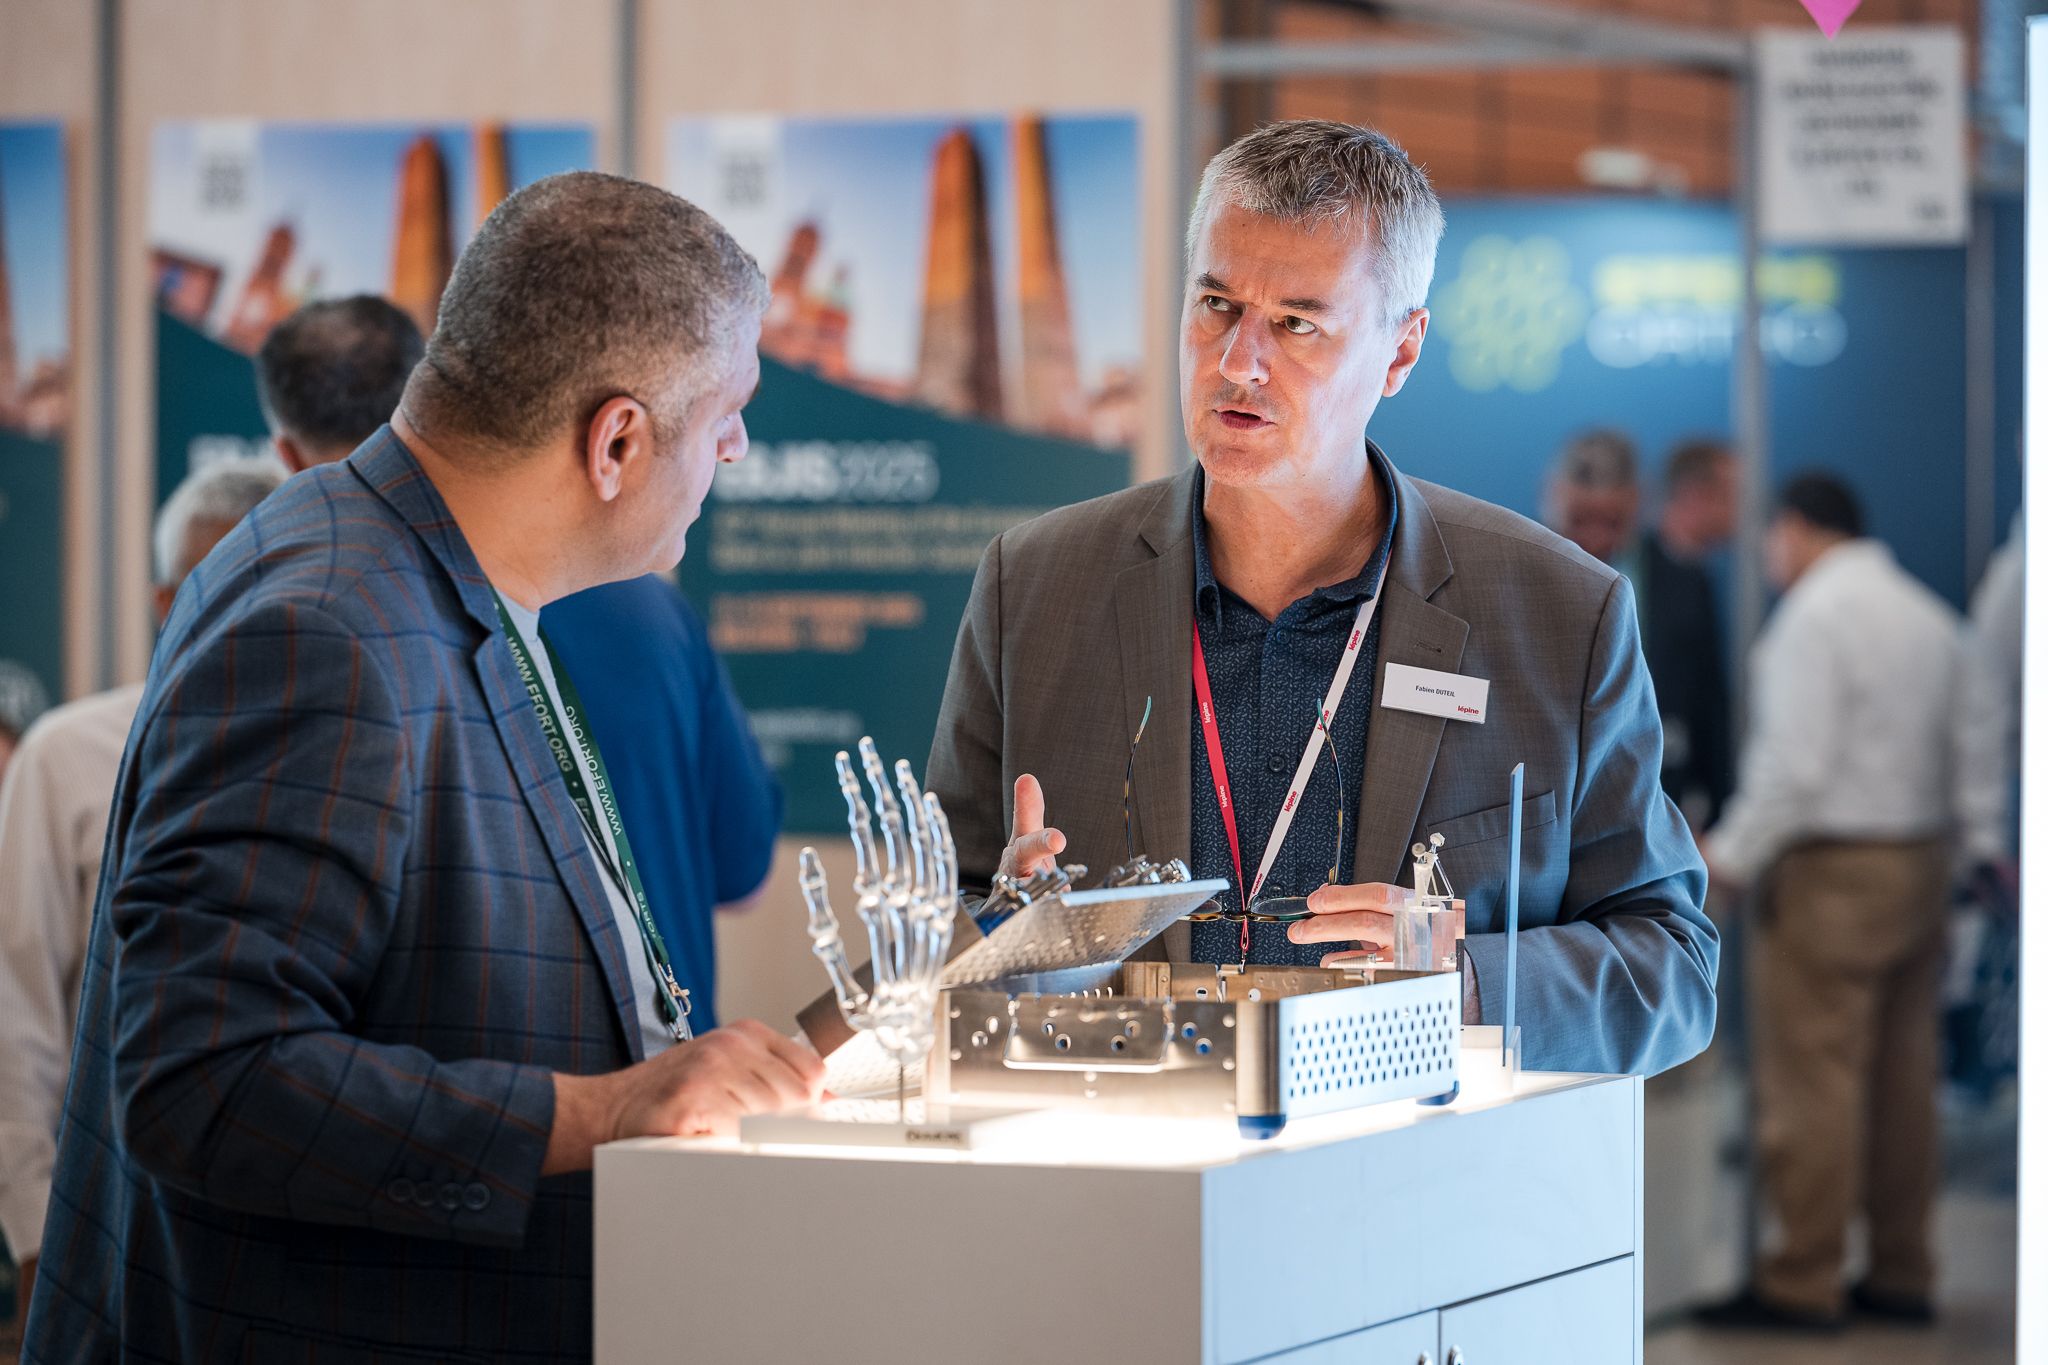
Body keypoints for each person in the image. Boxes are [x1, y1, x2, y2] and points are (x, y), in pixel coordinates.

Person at [25, 172, 823, 1362]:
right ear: (615, 440)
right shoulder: (328, 625)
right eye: (727, 415)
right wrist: (603, 1112)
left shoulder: (441, 573)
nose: (737, 448)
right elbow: (205, 1083)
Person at [927, 119, 1717, 1079]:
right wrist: (1001, 940)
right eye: (1216, 304)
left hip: (1414, 1163)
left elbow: (1673, 967)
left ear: (1401, 351)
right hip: (1128, 1155)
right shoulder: (1034, 587)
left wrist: (1464, 979)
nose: (1238, 361)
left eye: (1297, 323)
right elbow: (936, 929)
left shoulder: (1560, 615)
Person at [258, 295, 781, 1026]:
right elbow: (745, 875)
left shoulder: (331, 616)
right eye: (720, 419)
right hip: (602, 1083)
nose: (734, 448)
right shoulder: (650, 608)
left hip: (631, 1078)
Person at [0, 457, 285, 1358]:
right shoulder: (67, 757)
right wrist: (37, 1232)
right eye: (212, 584)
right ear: (166, 600)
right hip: (105, 1226)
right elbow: (15, 1013)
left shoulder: (342, 749)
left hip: (282, 1246)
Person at [1698, 473, 1960, 1332]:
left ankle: (1802, 1277)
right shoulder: (1927, 615)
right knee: (1904, 1081)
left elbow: (1794, 770)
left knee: (1812, 1080)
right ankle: (1902, 1267)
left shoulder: (1813, 618)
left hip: (1832, 872)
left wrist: (1727, 859)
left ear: (1797, 527)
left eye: (1770, 536)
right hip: (1920, 861)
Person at [1546, 432, 1734, 830]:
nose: (1595, 537)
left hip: (1658, 800)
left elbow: (1711, 709)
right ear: (1554, 496)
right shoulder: (1516, 575)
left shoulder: (1687, 582)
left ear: (1638, 502)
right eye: (1580, 519)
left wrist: (1718, 818)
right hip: (1550, 802)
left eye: (1612, 522)